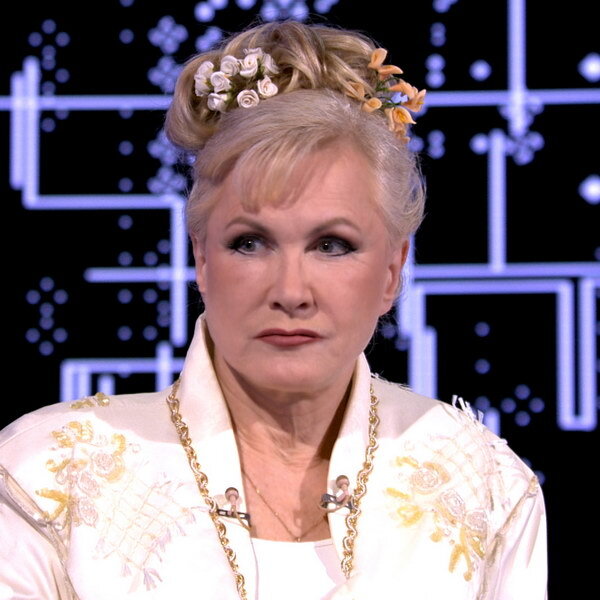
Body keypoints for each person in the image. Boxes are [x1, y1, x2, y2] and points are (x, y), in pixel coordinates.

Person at [0, 20, 546, 600]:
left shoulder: (487, 489)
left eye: (331, 245)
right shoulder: (44, 479)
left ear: (393, 270)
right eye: (250, 243)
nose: (291, 291)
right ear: (201, 260)